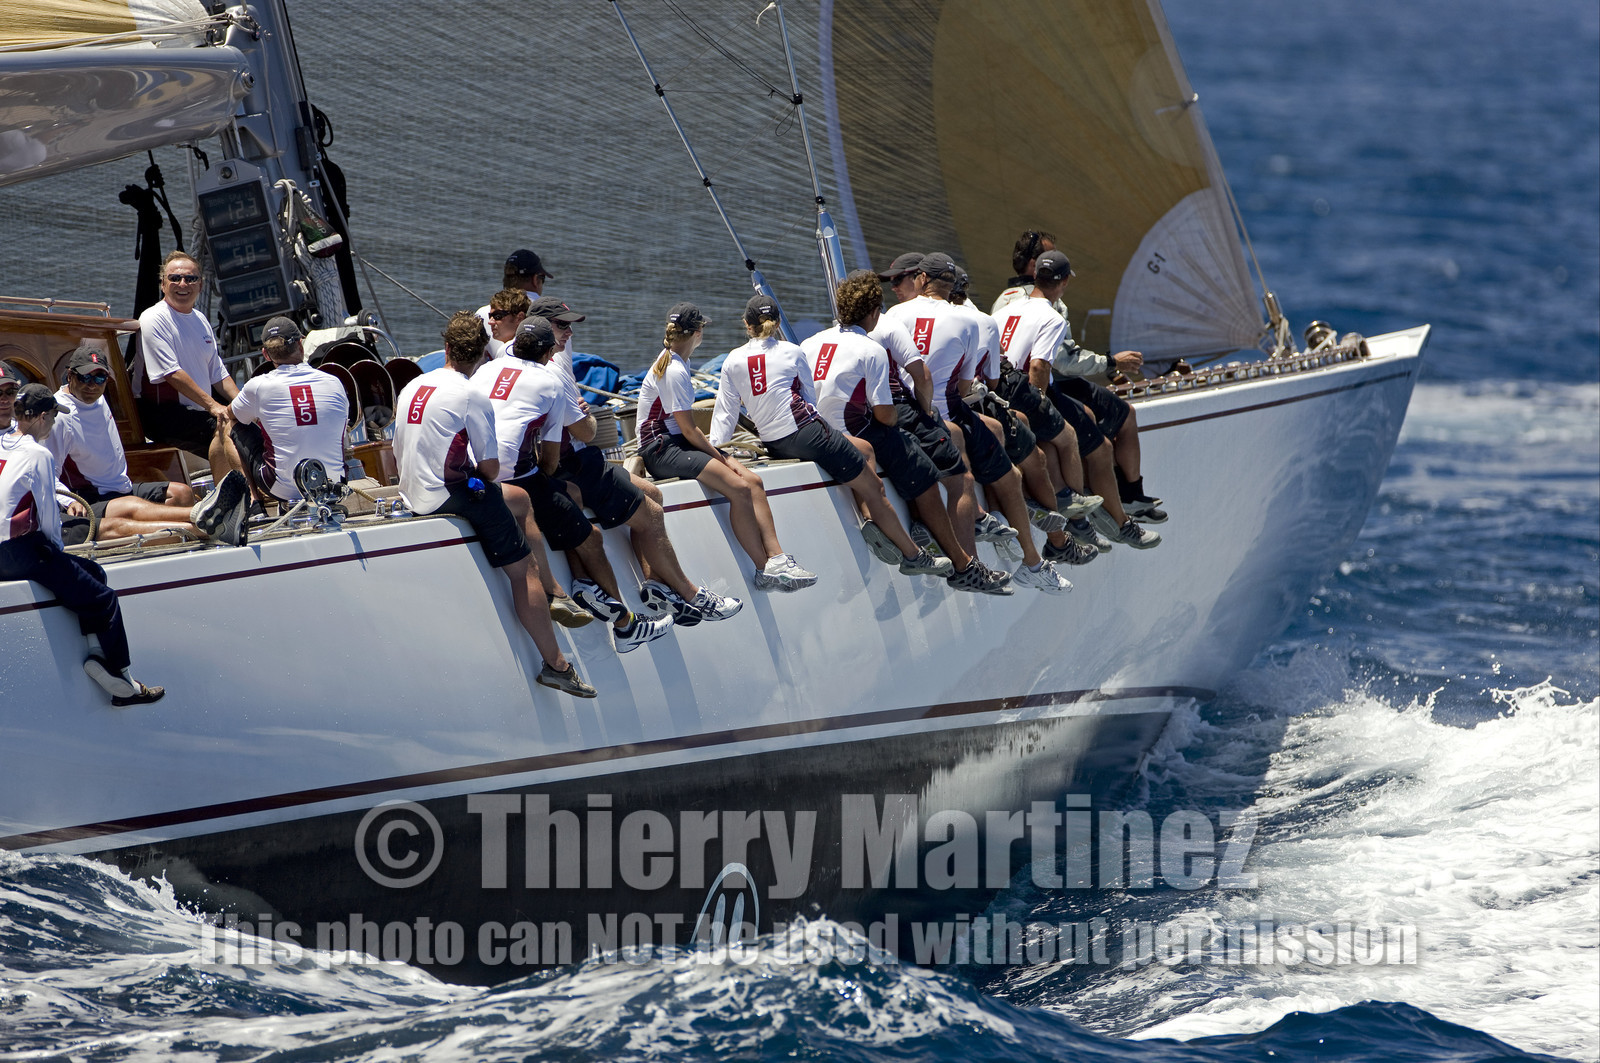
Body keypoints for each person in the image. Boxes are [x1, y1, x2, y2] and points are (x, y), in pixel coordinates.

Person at [393, 311, 596, 697]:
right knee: (524, 571)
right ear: (482, 352)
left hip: (410, 490)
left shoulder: (414, 385)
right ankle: (557, 664)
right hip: (446, 495)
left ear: (447, 348)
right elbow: (489, 468)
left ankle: (555, 593)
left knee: (520, 500)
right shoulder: (472, 395)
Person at [804, 271, 1023, 593]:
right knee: (926, 475)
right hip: (857, 432)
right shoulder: (870, 349)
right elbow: (885, 414)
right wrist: (919, 416)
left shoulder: (811, 343)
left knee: (913, 452)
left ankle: (892, 520)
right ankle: (963, 566)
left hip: (822, 433)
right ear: (875, 311)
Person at [711, 292, 950, 581]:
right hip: (807, 432)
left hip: (775, 441)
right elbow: (810, 401)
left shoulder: (733, 360)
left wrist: (716, 451)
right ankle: (913, 555)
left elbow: (725, 413)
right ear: (776, 325)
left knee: (863, 448)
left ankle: (870, 519)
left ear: (746, 325)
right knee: (875, 487)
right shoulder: (792, 352)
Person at [473, 316, 675, 653]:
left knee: (573, 493)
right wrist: (546, 479)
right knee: (591, 536)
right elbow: (551, 459)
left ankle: (580, 580)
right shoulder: (549, 382)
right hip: (512, 476)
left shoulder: (486, 370)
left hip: (473, 471)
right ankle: (626, 627)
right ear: (549, 351)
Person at [883, 253, 1071, 594]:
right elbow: (966, 388)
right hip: (945, 414)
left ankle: (978, 521)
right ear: (952, 285)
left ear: (922, 279)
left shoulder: (894, 315)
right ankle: (1031, 562)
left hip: (903, 416)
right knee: (1009, 476)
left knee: (984, 444)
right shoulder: (969, 321)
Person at [0, 384, 169, 705]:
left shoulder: (4, 446)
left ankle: (96, 654)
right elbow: (48, 517)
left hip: (5, 551)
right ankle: (125, 681)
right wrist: (57, 555)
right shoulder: (37, 454)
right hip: (20, 551)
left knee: (93, 571)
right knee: (104, 599)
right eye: (52, 417)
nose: (53, 424)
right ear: (41, 417)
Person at [635, 302, 816, 592]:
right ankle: (763, 569)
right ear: (697, 332)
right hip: (661, 448)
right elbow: (688, 429)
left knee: (754, 481)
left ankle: (779, 559)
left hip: (674, 443)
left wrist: (721, 455)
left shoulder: (675, 360)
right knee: (740, 488)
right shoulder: (675, 370)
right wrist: (720, 455)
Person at [995, 252, 1161, 550]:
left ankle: (1091, 520)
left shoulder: (1005, 309)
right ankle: (1109, 525)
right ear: (1065, 281)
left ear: (1035, 276)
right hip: (1027, 390)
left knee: (1079, 434)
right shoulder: (1052, 316)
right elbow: (1039, 367)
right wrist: (1040, 407)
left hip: (998, 392)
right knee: (1099, 449)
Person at [129, 251, 244, 480]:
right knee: (231, 433)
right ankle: (243, 497)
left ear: (200, 285)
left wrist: (245, 405)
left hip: (196, 412)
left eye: (190, 279)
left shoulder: (201, 320)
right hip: (162, 414)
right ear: (163, 284)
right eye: (175, 278)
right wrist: (213, 406)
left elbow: (218, 372)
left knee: (251, 426)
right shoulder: (153, 318)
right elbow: (172, 373)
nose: (183, 284)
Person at [228, 317, 355, 506]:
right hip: (333, 484)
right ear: (301, 345)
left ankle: (253, 504)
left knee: (226, 425)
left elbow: (231, 415)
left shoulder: (258, 386)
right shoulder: (334, 382)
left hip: (282, 489)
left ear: (266, 354)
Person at [49, 346, 194, 510]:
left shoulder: (98, 398)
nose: (92, 385)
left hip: (123, 489)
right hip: (94, 497)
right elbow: (46, 473)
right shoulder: (59, 415)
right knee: (144, 509)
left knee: (183, 494)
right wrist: (70, 502)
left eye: (100, 378)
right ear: (70, 376)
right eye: (85, 377)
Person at [476, 249, 551, 340]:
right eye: (542, 278)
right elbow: (562, 354)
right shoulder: (553, 316)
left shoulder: (482, 314)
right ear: (535, 280)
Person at [483, 288, 531, 360]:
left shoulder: (508, 351)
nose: (490, 322)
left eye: (498, 316)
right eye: (490, 316)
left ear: (519, 318)